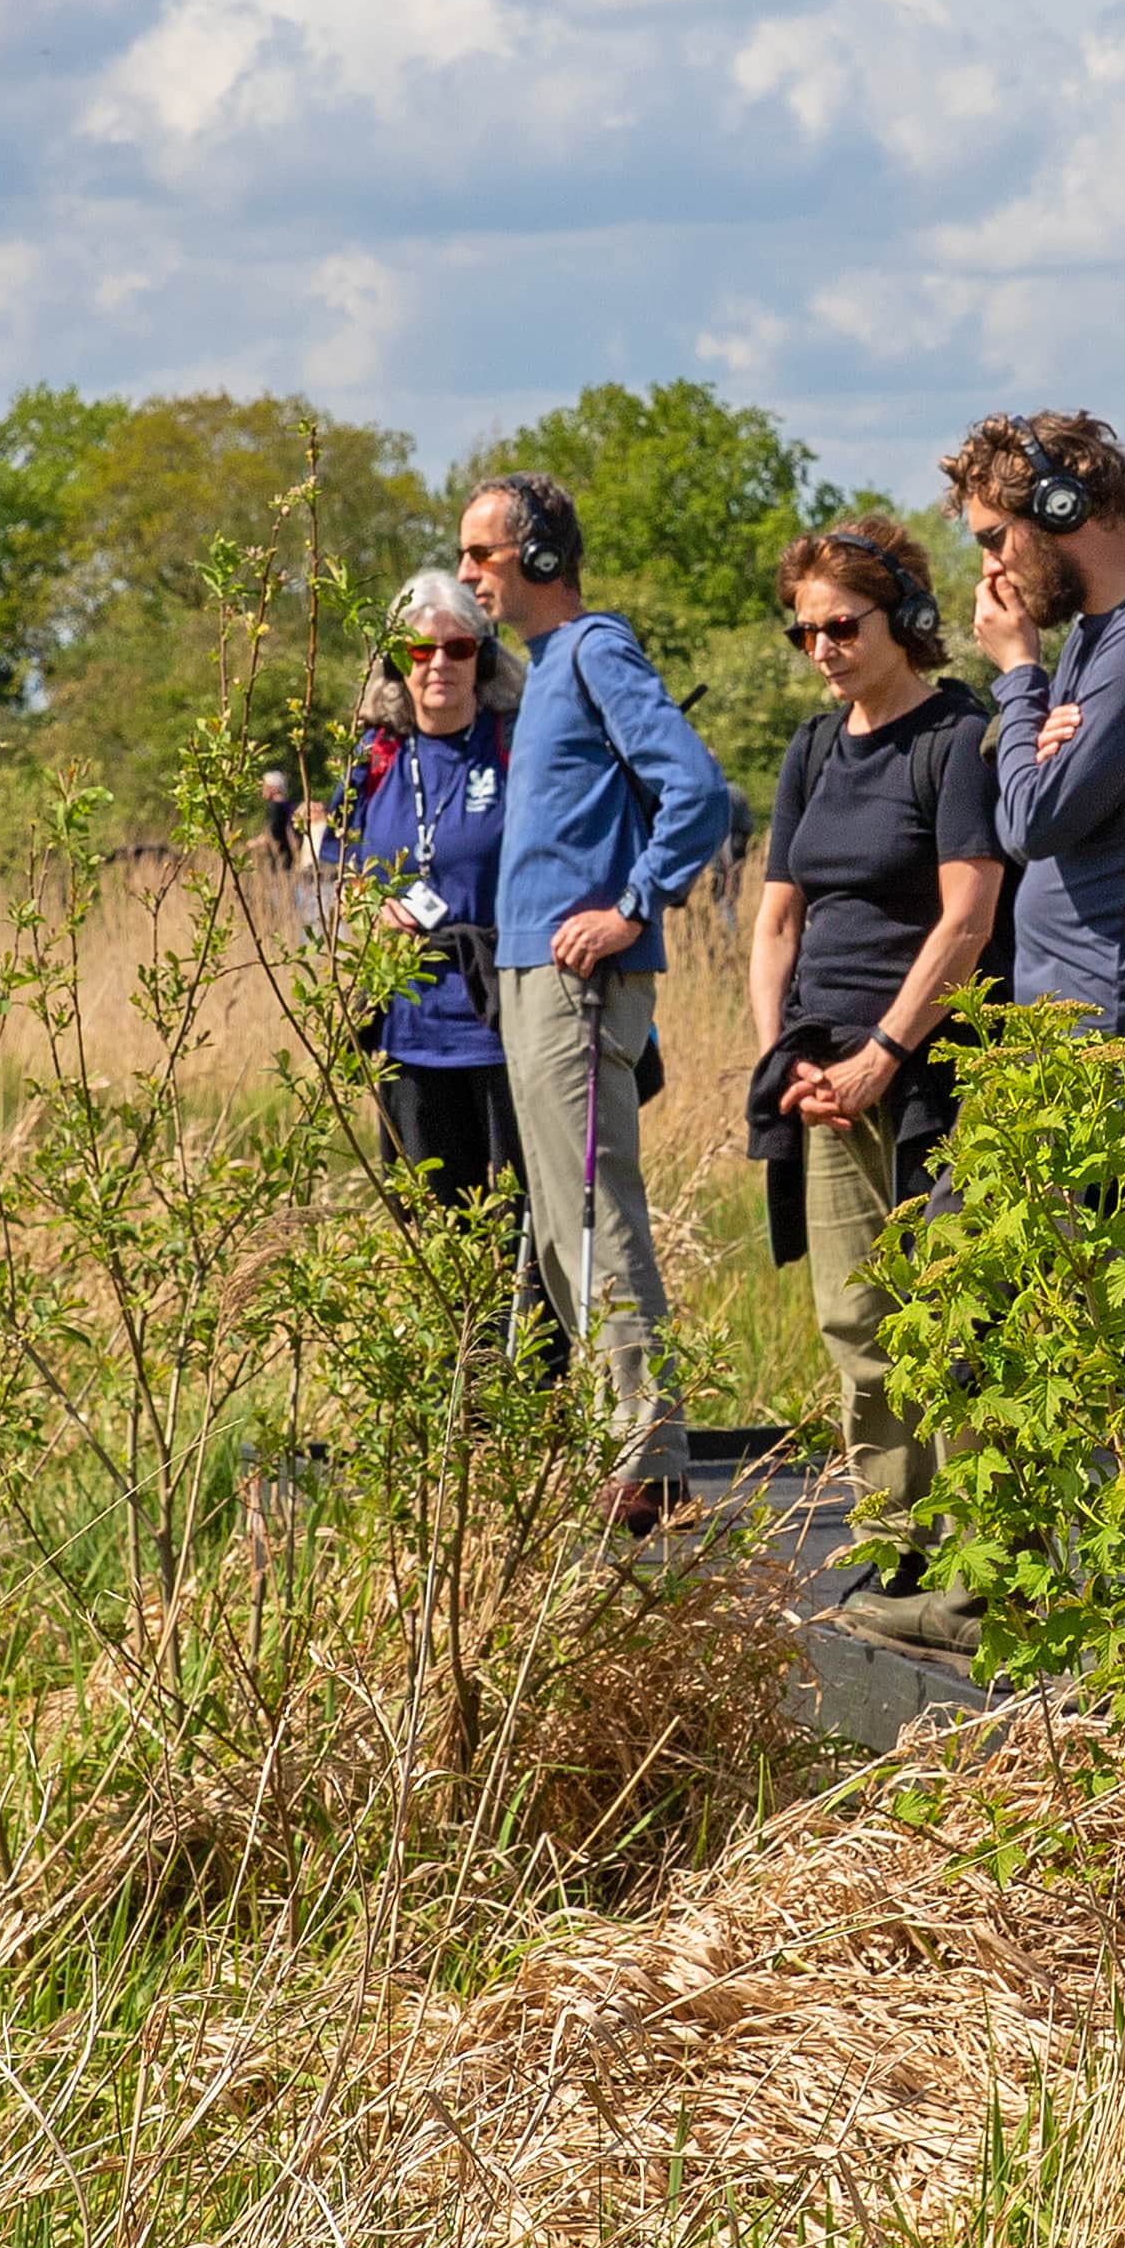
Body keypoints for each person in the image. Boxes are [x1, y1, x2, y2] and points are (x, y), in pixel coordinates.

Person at [465, 467, 748, 1536]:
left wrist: (632, 906)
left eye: (481, 554)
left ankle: (650, 1456)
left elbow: (697, 789)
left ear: (538, 555)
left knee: (593, 1212)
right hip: (533, 977)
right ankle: (613, 1439)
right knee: (554, 1224)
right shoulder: (540, 670)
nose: (468, 574)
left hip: (581, 981)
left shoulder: (592, 651)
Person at [743, 518, 1006, 1539]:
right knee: (856, 1318)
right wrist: (790, 1058)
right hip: (821, 1069)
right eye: (803, 632)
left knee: (950, 1321)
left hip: (931, 1071)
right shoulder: (812, 748)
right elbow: (777, 921)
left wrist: (881, 1055)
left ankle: (978, 1557)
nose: (823, 649)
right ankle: (898, 1545)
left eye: (842, 625)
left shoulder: (955, 738)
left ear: (905, 617)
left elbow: (968, 917)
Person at [330, 571, 534, 1303]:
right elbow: (333, 852)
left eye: (457, 647)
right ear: (396, 664)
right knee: (434, 1237)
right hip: (409, 1030)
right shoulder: (375, 755)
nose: (438, 664)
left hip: (501, 1025)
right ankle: (452, 1405)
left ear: (483, 657)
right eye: (419, 650)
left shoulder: (515, 744)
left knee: (518, 1237)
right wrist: (369, 902)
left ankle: (533, 1401)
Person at [950, 414, 1125, 1029]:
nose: (991, 570)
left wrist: (1020, 671)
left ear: (1060, 508)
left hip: (1107, 1018)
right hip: (1066, 1012)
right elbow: (1024, 801)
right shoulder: (1091, 634)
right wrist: (1031, 743)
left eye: (995, 539)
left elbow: (1030, 822)